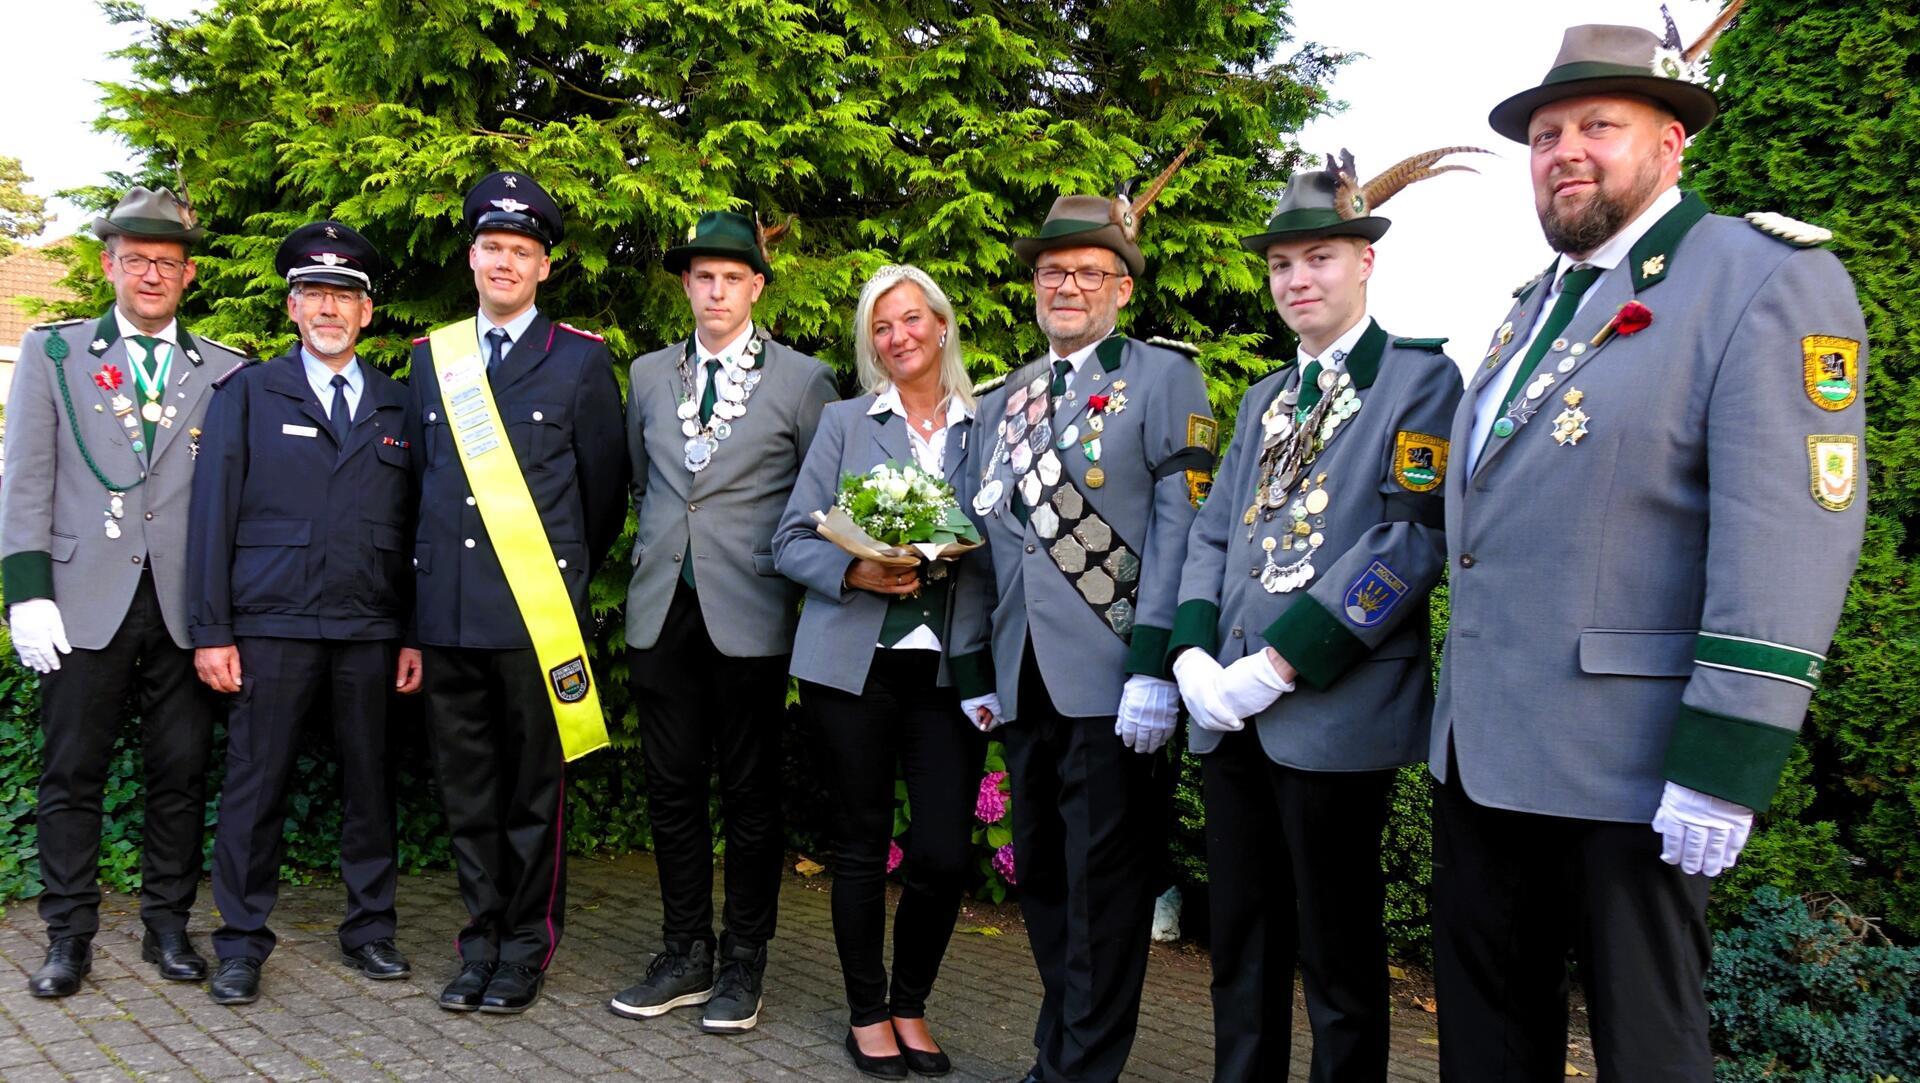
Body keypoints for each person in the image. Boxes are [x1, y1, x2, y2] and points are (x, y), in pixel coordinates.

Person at [1432, 23, 1868, 1081]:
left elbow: (1789, 528)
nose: (1565, 150)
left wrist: (1726, 760)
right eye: (1545, 134)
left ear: (1671, 142)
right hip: (1485, 753)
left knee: (1648, 1049)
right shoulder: (1529, 308)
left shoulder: (1757, 278)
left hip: (1634, 764)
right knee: (1487, 1041)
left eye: (1597, 126)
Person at [1168, 149, 1469, 1081]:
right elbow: (1211, 536)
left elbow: (1408, 542)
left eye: (1320, 259)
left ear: (1366, 262)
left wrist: (1280, 665)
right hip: (1231, 713)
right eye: (1281, 265)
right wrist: (1191, 657)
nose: (1297, 280)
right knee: (1241, 938)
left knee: (1337, 951)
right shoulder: (1261, 399)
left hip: (1331, 712)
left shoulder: (1421, 383)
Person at [968, 176, 1215, 1083]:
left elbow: (1184, 531)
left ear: (1122, 288)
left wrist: (1155, 664)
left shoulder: (1162, 377)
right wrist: (978, 669)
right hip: (1026, 677)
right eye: (1050, 274)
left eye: (1086, 273)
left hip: (1117, 684)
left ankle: (1080, 1069)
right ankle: (1059, 1047)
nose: (1064, 287)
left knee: (1103, 890)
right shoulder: (1007, 398)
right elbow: (989, 547)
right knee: (1040, 877)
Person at [0, 187, 248, 997]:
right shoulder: (56, 354)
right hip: (81, 597)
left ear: (189, 276)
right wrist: (26, 591)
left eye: (167, 264)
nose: (151, 275)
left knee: (179, 772)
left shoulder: (224, 371)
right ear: (109, 264)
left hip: (183, 606)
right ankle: (67, 936)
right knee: (72, 773)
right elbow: (26, 478)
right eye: (136, 260)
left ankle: (167, 927)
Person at [610, 211, 835, 1034]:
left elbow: (819, 500)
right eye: (703, 276)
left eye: (732, 277)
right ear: (685, 285)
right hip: (661, 609)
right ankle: (683, 952)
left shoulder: (805, 381)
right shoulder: (643, 375)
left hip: (752, 614)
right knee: (670, 788)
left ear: (757, 287)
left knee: (749, 794)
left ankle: (744, 959)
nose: (716, 289)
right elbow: (646, 482)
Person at [185, 220, 421, 1005]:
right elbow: (211, 516)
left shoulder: (398, 403)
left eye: (344, 296)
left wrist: (413, 631)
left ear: (367, 312)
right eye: (314, 294)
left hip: (369, 626)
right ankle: (242, 942)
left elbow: (419, 527)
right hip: (271, 624)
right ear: (292, 308)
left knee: (370, 783)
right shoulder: (248, 394)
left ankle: (371, 930)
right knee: (256, 786)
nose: (328, 308)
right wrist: (211, 629)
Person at [410, 171, 628, 1015]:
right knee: (467, 794)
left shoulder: (579, 360)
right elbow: (421, 487)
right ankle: (480, 941)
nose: (505, 262)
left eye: (522, 251)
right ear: (472, 257)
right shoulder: (434, 359)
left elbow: (602, 495)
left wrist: (556, 578)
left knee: (535, 794)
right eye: (492, 247)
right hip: (448, 613)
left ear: (545, 266)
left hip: (535, 618)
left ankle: (527, 947)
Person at [771, 263, 993, 1080]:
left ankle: (912, 1001)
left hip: (951, 672)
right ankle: (868, 1012)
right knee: (860, 847)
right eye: (880, 326)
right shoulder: (843, 423)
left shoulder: (991, 422)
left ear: (941, 324)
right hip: (850, 668)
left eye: (909, 319)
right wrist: (857, 572)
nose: (897, 337)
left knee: (940, 852)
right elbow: (790, 540)